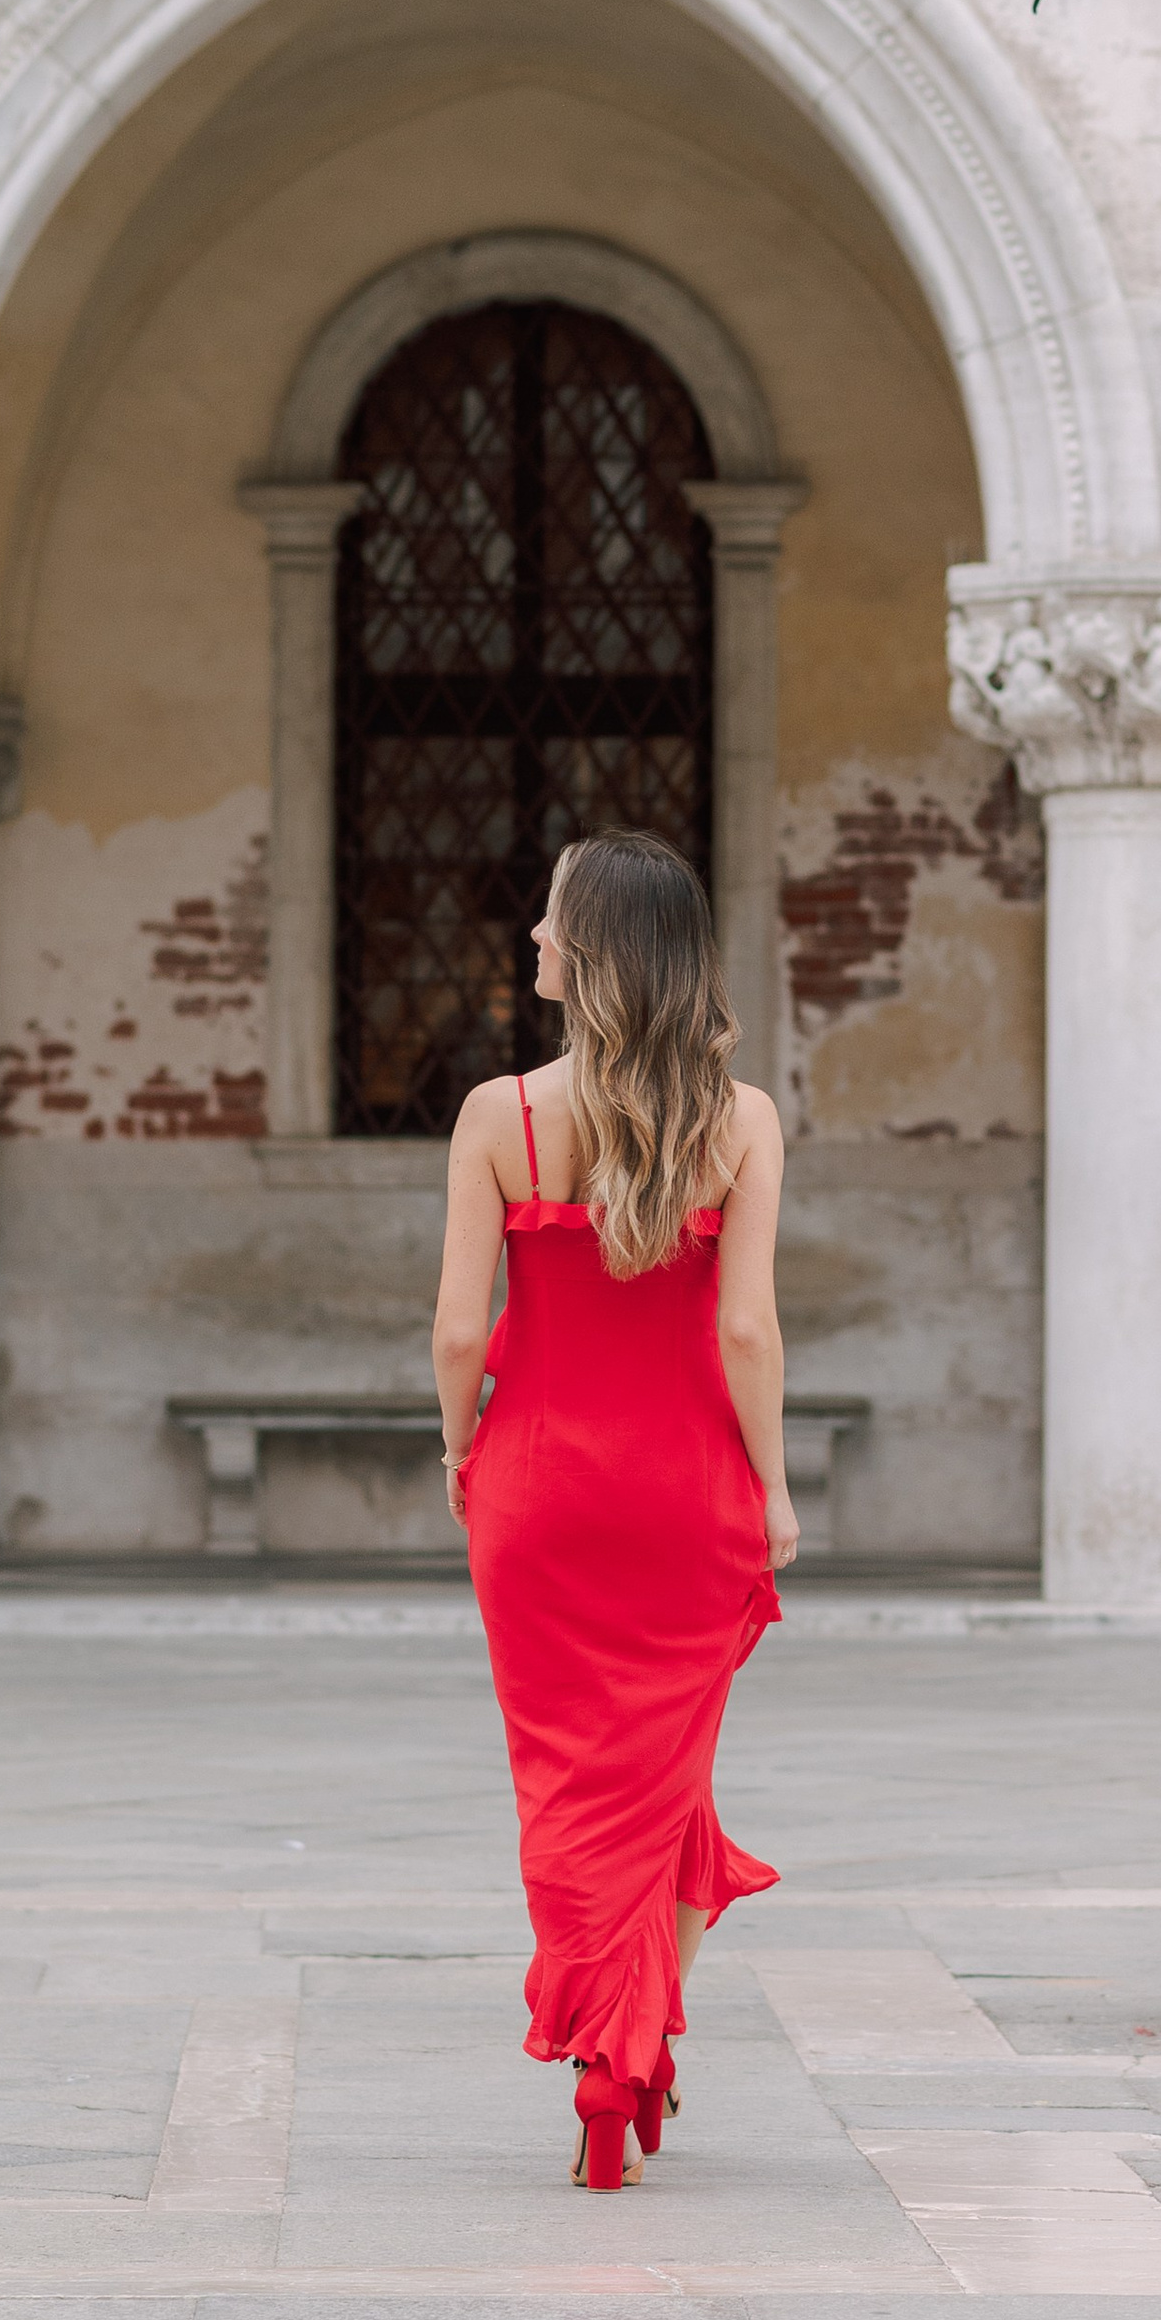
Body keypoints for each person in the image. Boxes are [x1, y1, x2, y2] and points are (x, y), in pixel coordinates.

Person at [432, 830, 798, 2192]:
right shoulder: (742, 1120)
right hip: (687, 1493)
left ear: (588, 954)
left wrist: (459, 1447)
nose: (528, 938)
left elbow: (460, 1329)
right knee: (671, 1777)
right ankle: (624, 2055)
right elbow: (748, 1330)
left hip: (535, 1496)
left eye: (546, 923)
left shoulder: (498, 1118)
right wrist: (770, 1489)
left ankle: (610, 2041)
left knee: (572, 1783)